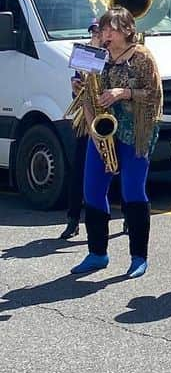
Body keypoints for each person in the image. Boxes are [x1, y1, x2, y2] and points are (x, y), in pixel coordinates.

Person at [69, 7, 162, 279]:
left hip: (136, 130)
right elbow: (86, 91)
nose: (105, 34)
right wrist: (81, 88)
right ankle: (97, 253)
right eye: (103, 29)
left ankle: (138, 256)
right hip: (102, 130)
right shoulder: (97, 54)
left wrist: (123, 92)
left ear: (127, 31)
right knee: (93, 191)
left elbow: (154, 95)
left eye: (111, 29)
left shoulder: (142, 56)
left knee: (132, 191)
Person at [60, 18, 101, 241]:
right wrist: (75, 88)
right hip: (87, 118)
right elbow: (77, 85)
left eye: (98, 30)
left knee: (120, 167)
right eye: (93, 31)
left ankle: (127, 216)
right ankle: (73, 220)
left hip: (110, 115)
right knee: (78, 172)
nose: (95, 34)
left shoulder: (116, 53)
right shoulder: (84, 53)